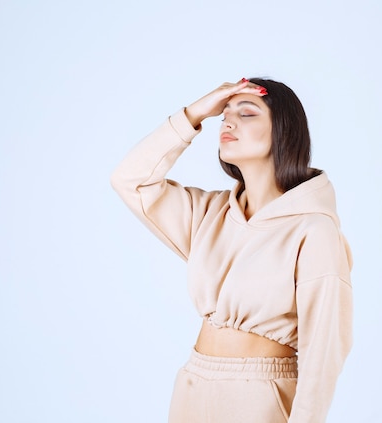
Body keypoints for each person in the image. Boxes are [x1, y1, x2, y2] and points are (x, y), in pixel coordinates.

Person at [111, 78, 353, 423]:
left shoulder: (314, 230)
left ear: (283, 131)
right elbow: (130, 180)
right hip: (193, 388)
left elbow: (324, 352)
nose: (227, 121)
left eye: (247, 112)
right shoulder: (210, 214)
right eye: (224, 113)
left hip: (261, 398)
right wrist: (194, 114)